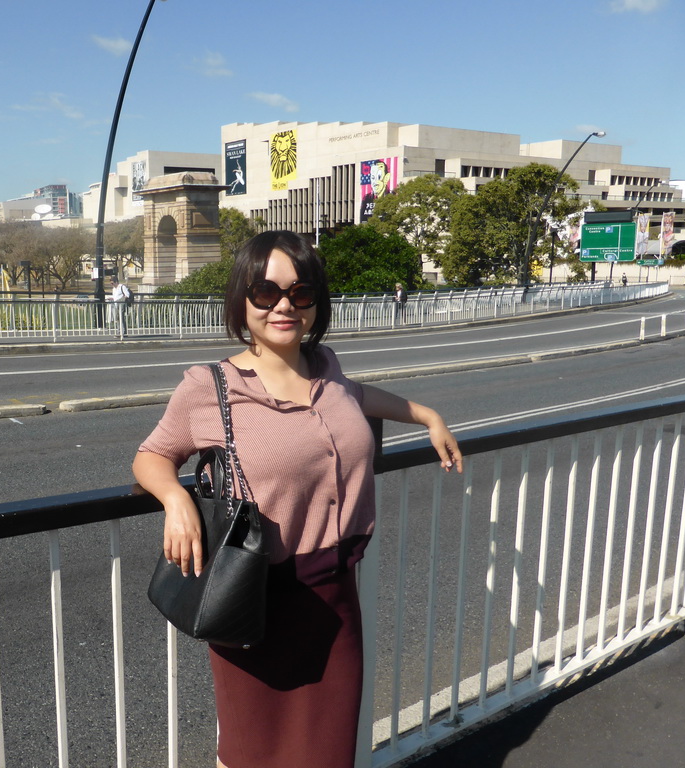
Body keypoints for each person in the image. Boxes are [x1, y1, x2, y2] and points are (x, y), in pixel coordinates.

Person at [132, 230, 462, 768]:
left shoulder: (326, 366)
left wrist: (426, 415)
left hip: (334, 597)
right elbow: (152, 455)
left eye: (300, 292)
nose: (284, 305)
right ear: (242, 297)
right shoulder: (210, 385)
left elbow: (358, 397)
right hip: (254, 598)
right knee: (251, 754)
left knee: (330, 754)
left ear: (316, 302)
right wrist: (174, 500)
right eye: (266, 292)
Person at [110, 275, 131, 340]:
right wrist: (112, 298)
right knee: (118, 318)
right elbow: (115, 297)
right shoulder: (113, 289)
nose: (112, 284)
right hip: (116, 304)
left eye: (112, 283)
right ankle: (121, 332)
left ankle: (122, 332)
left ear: (116, 282)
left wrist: (121, 300)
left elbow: (127, 295)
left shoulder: (122, 287)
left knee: (121, 317)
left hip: (121, 304)